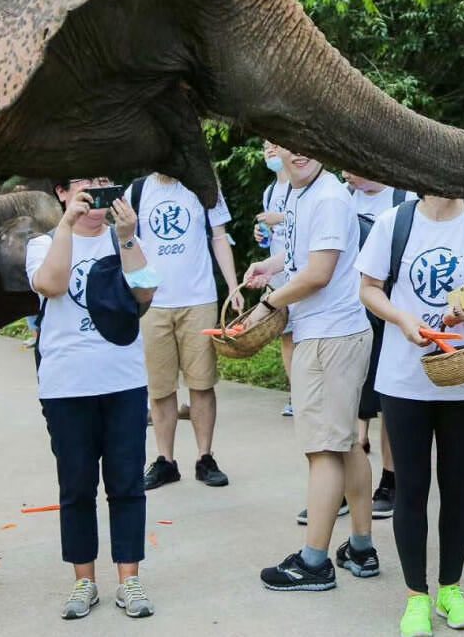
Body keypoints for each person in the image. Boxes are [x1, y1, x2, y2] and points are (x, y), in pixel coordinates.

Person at [356, 193, 464, 637]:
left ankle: (450, 588)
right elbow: (368, 288)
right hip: (404, 376)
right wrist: (403, 319)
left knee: (458, 485)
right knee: (410, 486)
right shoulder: (394, 223)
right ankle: (416, 596)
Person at [243, 149, 376, 591]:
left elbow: (319, 273)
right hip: (327, 334)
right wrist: (271, 266)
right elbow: (305, 257)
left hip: (329, 338)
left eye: (306, 143)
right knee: (343, 445)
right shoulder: (301, 195)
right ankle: (361, 548)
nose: (297, 152)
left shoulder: (329, 198)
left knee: (322, 450)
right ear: (274, 148)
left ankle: (313, 563)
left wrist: (267, 304)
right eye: (287, 142)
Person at [26, 177, 158, 619]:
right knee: (77, 486)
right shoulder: (43, 243)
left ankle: (130, 580)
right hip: (66, 387)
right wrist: (66, 226)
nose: (97, 199)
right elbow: (51, 284)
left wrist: (126, 238)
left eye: (106, 188)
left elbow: (144, 293)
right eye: (87, 189)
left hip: (123, 382)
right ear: (63, 193)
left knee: (126, 483)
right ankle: (84, 581)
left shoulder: (123, 238)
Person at [128, 173, 243, 490]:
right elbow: (128, 246)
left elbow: (219, 237)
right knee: (160, 387)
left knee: (202, 383)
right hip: (153, 303)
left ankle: (205, 458)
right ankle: (166, 461)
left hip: (198, 299)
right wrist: (137, 295)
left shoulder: (203, 185)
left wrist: (233, 287)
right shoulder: (137, 191)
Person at [344, 170, 416, 520]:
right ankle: (341, 486)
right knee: (345, 401)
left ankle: (391, 479)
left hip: (389, 314)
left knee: (390, 400)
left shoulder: (406, 200)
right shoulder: (341, 199)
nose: (347, 173)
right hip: (347, 315)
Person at [253, 140, 296, 417]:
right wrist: (261, 236)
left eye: (275, 144)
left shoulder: (300, 184)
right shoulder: (270, 191)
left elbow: (307, 218)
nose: (269, 150)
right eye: (265, 146)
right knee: (287, 335)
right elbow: (270, 235)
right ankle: (296, 392)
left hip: (301, 271)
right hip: (276, 272)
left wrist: (278, 218)